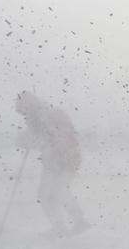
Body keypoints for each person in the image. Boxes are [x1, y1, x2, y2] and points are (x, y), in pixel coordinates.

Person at [15, 90, 89, 236]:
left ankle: (77, 222)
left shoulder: (46, 116)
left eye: (25, 111)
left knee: (57, 191)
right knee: (46, 194)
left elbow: (57, 137)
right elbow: (40, 138)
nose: (24, 115)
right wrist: (27, 140)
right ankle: (62, 226)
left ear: (29, 106)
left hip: (65, 159)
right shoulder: (36, 118)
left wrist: (48, 148)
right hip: (53, 160)